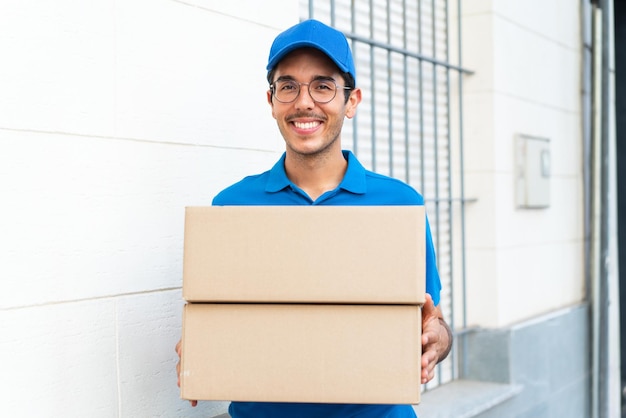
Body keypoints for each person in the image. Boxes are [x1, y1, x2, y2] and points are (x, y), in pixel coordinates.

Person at [175, 18, 453, 418]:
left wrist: (438, 340)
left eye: (322, 86)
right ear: (271, 101)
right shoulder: (232, 206)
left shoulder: (399, 204)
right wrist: (202, 347)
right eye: (288, 86)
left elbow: (434, 318)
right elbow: (218, 316)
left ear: (352, 101)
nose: (303, 101)